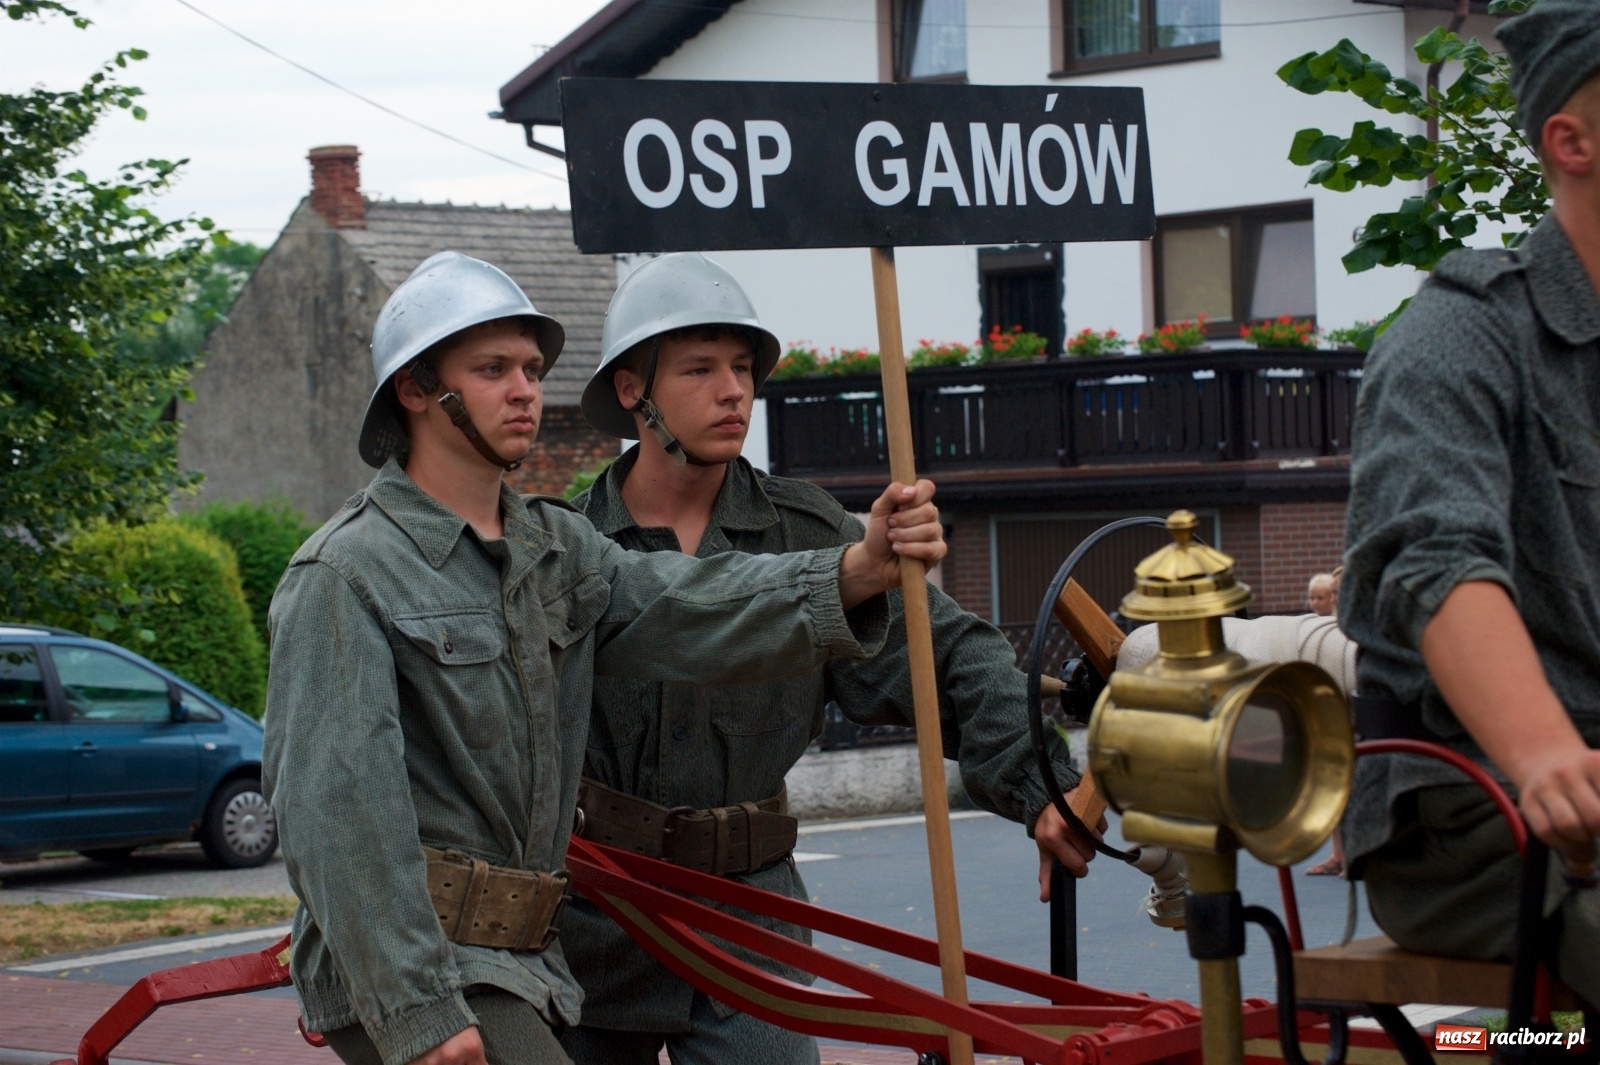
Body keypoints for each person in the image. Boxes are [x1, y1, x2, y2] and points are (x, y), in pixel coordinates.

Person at [262, 251, 948, 1065]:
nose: (525, 389)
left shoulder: (554, 550)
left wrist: (855, 570)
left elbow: (686, 603)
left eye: (530, 366)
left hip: (524, 956)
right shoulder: (344, 573)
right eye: (491, 369)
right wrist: (420, 1013)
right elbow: (334, 814)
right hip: (423, 964)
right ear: (415, 389)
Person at [557, 252, 1099, 1065]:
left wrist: (1043, 786)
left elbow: (947, 656)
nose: (733, 389)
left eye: (742, 366)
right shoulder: (564, 547)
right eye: (700, 368)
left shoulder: (814, 536)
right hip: (599, 918)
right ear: (633, 388)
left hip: (751, 919)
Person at [1339, 0, 1600, 1008]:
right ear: (1568, 142)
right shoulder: (1459, 337)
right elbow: (1435, 564)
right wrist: (1544, 755)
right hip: (1478, 813)